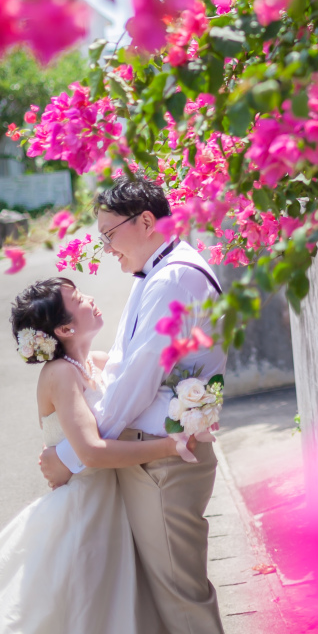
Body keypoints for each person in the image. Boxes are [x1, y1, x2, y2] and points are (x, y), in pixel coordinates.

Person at [38, 175, 226, 634]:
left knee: (182, 601)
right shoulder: (163, 271)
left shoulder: (175, 276)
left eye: (108, 235)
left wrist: (72, 456)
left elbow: (137, 381)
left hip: (162, 460)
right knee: (165, 598)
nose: (105, 248)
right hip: (155, 455)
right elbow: (127, 364)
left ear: (146, 221)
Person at [0, 276, 182, 632]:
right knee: (88, 609)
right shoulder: (59, 374)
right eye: (78, 298)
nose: (90, 299)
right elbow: (93, 453)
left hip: (113, 500)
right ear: (66, 327)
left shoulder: (93, 363)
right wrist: (167, 447)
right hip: (86, 510)